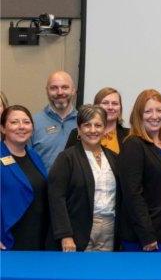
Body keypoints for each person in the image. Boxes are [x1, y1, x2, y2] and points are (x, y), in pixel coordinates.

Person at [49, 106, 120, 251]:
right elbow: (57, 198)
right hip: (78, 230)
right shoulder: (67, 158)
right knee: (78, 272)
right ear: (79, 129)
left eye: (98, 125)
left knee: (104, 272)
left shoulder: (114, 158)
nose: (93, 130)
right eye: (87, 125)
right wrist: (65, 235)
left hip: (109, 227)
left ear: (105, 128)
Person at [119, 89, 161, 251]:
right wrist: (147, 235)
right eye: (148, 111)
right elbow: (132, 195)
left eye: (159, 111)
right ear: (139, 115)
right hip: (145, 238)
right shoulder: (133, 145)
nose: (155, 116)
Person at [1, 105, 49, 250]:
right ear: (3, 128)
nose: (21, 126)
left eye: (26, 122)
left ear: (33, 128)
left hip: (37, 236)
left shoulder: (34, 156)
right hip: (8, 238)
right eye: (14, 122)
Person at [31, 71, 78, 170]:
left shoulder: (84, 123)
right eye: (54, 88)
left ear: (73, 90)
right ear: (47, 91)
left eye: (65, 87)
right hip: (44, 184)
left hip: (76, 185)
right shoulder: (33, 123)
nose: (60, 92)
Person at [65, 87, 130, 153]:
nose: (110, 107)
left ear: (120, 108)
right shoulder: (77, 133)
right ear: (96, 107)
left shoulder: (129, 136)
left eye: (115, 103)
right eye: (105, 103)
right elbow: (68, 159)